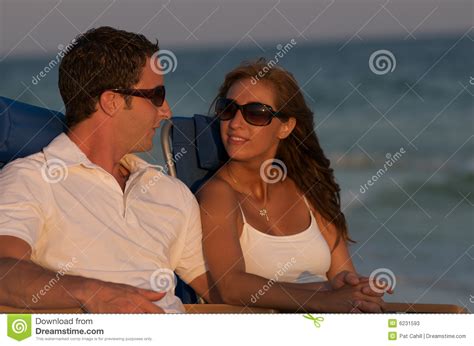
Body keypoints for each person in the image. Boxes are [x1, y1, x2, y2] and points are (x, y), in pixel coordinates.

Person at [0, 26, 218, 313]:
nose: (166, 111)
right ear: (111, 101)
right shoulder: (31, 179)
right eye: (156, 95)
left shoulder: (170, 191)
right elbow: (5, 270)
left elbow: (222, 288)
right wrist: (92, 292)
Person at [197, 59, 389, 312]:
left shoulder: (308, 188)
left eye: (256, 113)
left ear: (286, 127)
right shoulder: (218, 194)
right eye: (227, 109)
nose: (235, 123)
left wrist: (359, 291)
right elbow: (231, 286)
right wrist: (325, 297)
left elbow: (342, 276)